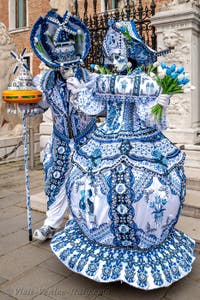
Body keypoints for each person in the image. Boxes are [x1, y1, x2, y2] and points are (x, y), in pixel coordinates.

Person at [50, 20, 195, 290]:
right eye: (112, 51)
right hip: (104, 140)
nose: (116, 57)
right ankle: (99, 239)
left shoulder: (144, 82)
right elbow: (97, 107)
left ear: (132, 54)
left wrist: (160, 102)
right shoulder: (104, 79)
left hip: (143, 141)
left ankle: (146, 240)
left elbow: (150, 118)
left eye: (121, 51)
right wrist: (78, 90)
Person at [28, 9, 96, 241]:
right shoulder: (46, 80)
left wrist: (82, 92)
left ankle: (84, 226)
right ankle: (51, 223)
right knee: (55, 180)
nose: (65, 64)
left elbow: (100, 108)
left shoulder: (88, 78)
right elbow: (40, 107)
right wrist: (27, 107)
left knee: (87, 184)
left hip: (87, 140)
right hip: (60, 141)